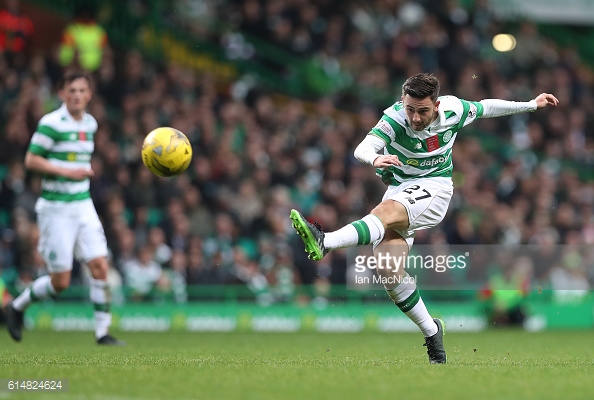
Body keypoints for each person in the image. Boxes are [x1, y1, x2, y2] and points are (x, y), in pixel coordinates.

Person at [290, 73, 558, 364]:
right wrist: (375, 158)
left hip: (436, 189)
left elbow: (486, 107)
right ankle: (433, 333)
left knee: (383, 212)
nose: (415, 118)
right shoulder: (394, 118)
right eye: (410, 109)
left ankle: (324, 241)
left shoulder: (454, 110)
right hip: (401, 191)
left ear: (437, 105)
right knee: (388, 271)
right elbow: (363, 148)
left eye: (423, 110)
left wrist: (531, 104)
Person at [3, 70, 124, 345]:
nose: (77, 96)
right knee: (61, 282)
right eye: (72, 91)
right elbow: (31, 160)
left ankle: (103, 332)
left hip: (82, 205)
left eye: (82, 91)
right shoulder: (51, 123)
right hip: (56, 209)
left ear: (89, 95)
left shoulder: (91, 124)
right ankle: (17, 306)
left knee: (100, 265)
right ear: (62, 94)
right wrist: (65, 172)